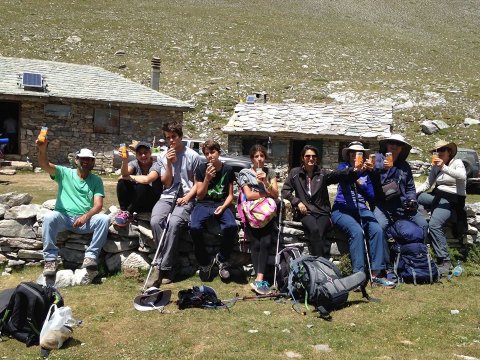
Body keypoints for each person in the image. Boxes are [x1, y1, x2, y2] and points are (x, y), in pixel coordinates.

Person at [37, 139, 110, 277]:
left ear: (93, 162)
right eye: (83, 159)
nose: (86, 162)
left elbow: (98, 205)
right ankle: (50, 260)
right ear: (76, 160)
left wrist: (85, 217)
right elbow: (44, 164)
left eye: (89, 159)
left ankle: (91, 256)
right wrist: (42, 149)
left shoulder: (96, 180)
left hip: (84, 220)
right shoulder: (64, 173)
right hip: (63, 217)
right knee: (49, 217)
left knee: (103, 219)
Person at [331, 142, 395, 288]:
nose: (355, 156)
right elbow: (344, 178)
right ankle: (358, 276)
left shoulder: (368, 173)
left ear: (364, 156)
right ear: (348, 155)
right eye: (352, 153)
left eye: (359, 154)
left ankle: (377, 273)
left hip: (361, 209)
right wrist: (357, 172)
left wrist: (365, 181)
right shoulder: (343, 167)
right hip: (342, 209)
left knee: (377, 230)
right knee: (357, 231)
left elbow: (372, 197)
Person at [281, 145, 360, 259]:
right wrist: (297, 202)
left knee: (321, 232)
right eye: (307, 156)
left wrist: (354, 170)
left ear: (317, 158)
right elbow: (285, 191)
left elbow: (338, 174)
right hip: (305, 212)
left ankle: (318, 262)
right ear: (303, 158)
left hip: (322, 212)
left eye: (313, 156)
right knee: (314, 229)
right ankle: (321, 262)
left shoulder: (322, 173)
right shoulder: (295, 173)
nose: (311, 158)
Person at [147, 121, 200, 286]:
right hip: (168, 195)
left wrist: (187, 198)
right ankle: (164, 264)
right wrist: (169, 163)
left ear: (181, 137)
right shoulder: (163, 156)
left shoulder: (193, 156)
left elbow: (197, 183)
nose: (171, 140)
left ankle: (164, 267)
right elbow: (167, 182)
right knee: (156, 221)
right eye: (168, 138)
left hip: (186, 196)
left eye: (173, 137)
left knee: (175, 223)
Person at [416, 140, 467, 275]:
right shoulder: (435, 165)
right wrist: (412, 193)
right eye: (436, 151)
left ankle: (445, 259)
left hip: (451, 199)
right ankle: (421, 215)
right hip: (438, 197)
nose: (438, 153)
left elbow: (462, 177)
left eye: (442, 150)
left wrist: (443, 167)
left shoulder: (457, 163)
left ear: (449, 152)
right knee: (416, 198)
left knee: (434, 224)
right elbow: (427, 184)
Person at [190, 140, 237, 281]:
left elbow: (230, 195)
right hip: (203, 203)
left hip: (221, 203)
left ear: (219, 152)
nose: (210, 156)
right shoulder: (200, 168)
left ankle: (222, 259)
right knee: (194, 227)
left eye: (212, 152)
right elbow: (199, 195)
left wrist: (223, 207)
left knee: (231, 226)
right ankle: (205, 262)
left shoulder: (227, 169)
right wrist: (206, 179)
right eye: (206, 154)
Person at [238, 144, 278, 294]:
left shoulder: (270, 172)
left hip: (266, 214)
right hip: (252, 213)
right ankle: (259, 280)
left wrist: (265, 182)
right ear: (252, 158)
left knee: (266, 242)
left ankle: (259, 280)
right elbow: (248, 195)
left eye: (262, 156)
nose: (259, 159)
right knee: (255, 244)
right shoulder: (244, 173)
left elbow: (276, 193)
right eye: (256, 156)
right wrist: (266, 193)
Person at [371, 134, 428, 238]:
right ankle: (384, 253)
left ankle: (420, 253)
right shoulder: (378, 159)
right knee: (379, 227)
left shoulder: (405, 166)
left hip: (403, 205)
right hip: (383, 205)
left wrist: (412, 200)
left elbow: (410, 188)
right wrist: (383, 168)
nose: (395, 145)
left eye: (399, 144)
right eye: (392, 142)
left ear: (402, 148)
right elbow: (373, 173)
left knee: (423, 225)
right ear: (387, 145)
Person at [114, 141, 162, 226]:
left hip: (151, 201)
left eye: (145, 153)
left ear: (150, 153)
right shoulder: (134, 163)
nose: (143, 156)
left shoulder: (156, 165)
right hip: (137, 201)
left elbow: (147, 179)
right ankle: (124, 211)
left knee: (142, 185)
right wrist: (125, 161)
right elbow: (125, 174)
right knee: (122, 182)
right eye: (140, 153)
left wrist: (129, 177)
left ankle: (129, 213)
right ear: (136, 155)